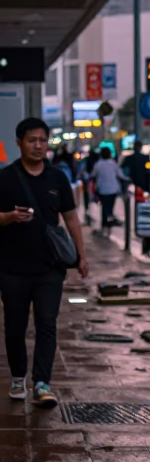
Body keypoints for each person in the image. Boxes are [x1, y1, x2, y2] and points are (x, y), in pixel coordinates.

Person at [0, 117, 88, 407]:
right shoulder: (6, 178)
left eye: (42, 140)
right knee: (14, 327)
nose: (38, 146)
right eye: (31, 140)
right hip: (11, 268)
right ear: (19, 143)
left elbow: (71, 218)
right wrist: (10, 218)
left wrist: (81, 255)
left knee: (47, 324)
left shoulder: (57, 178)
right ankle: (17, 378)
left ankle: (41, 383)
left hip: (50, 268)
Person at [91, 147, 126, 232]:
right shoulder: (113, 164)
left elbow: (92, 175)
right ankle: (109, 223)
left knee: (104, 208)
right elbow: (121, 175)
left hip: (102, 190)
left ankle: (104, 225)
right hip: (113, 189)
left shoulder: (98, 164)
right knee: (110, 207)